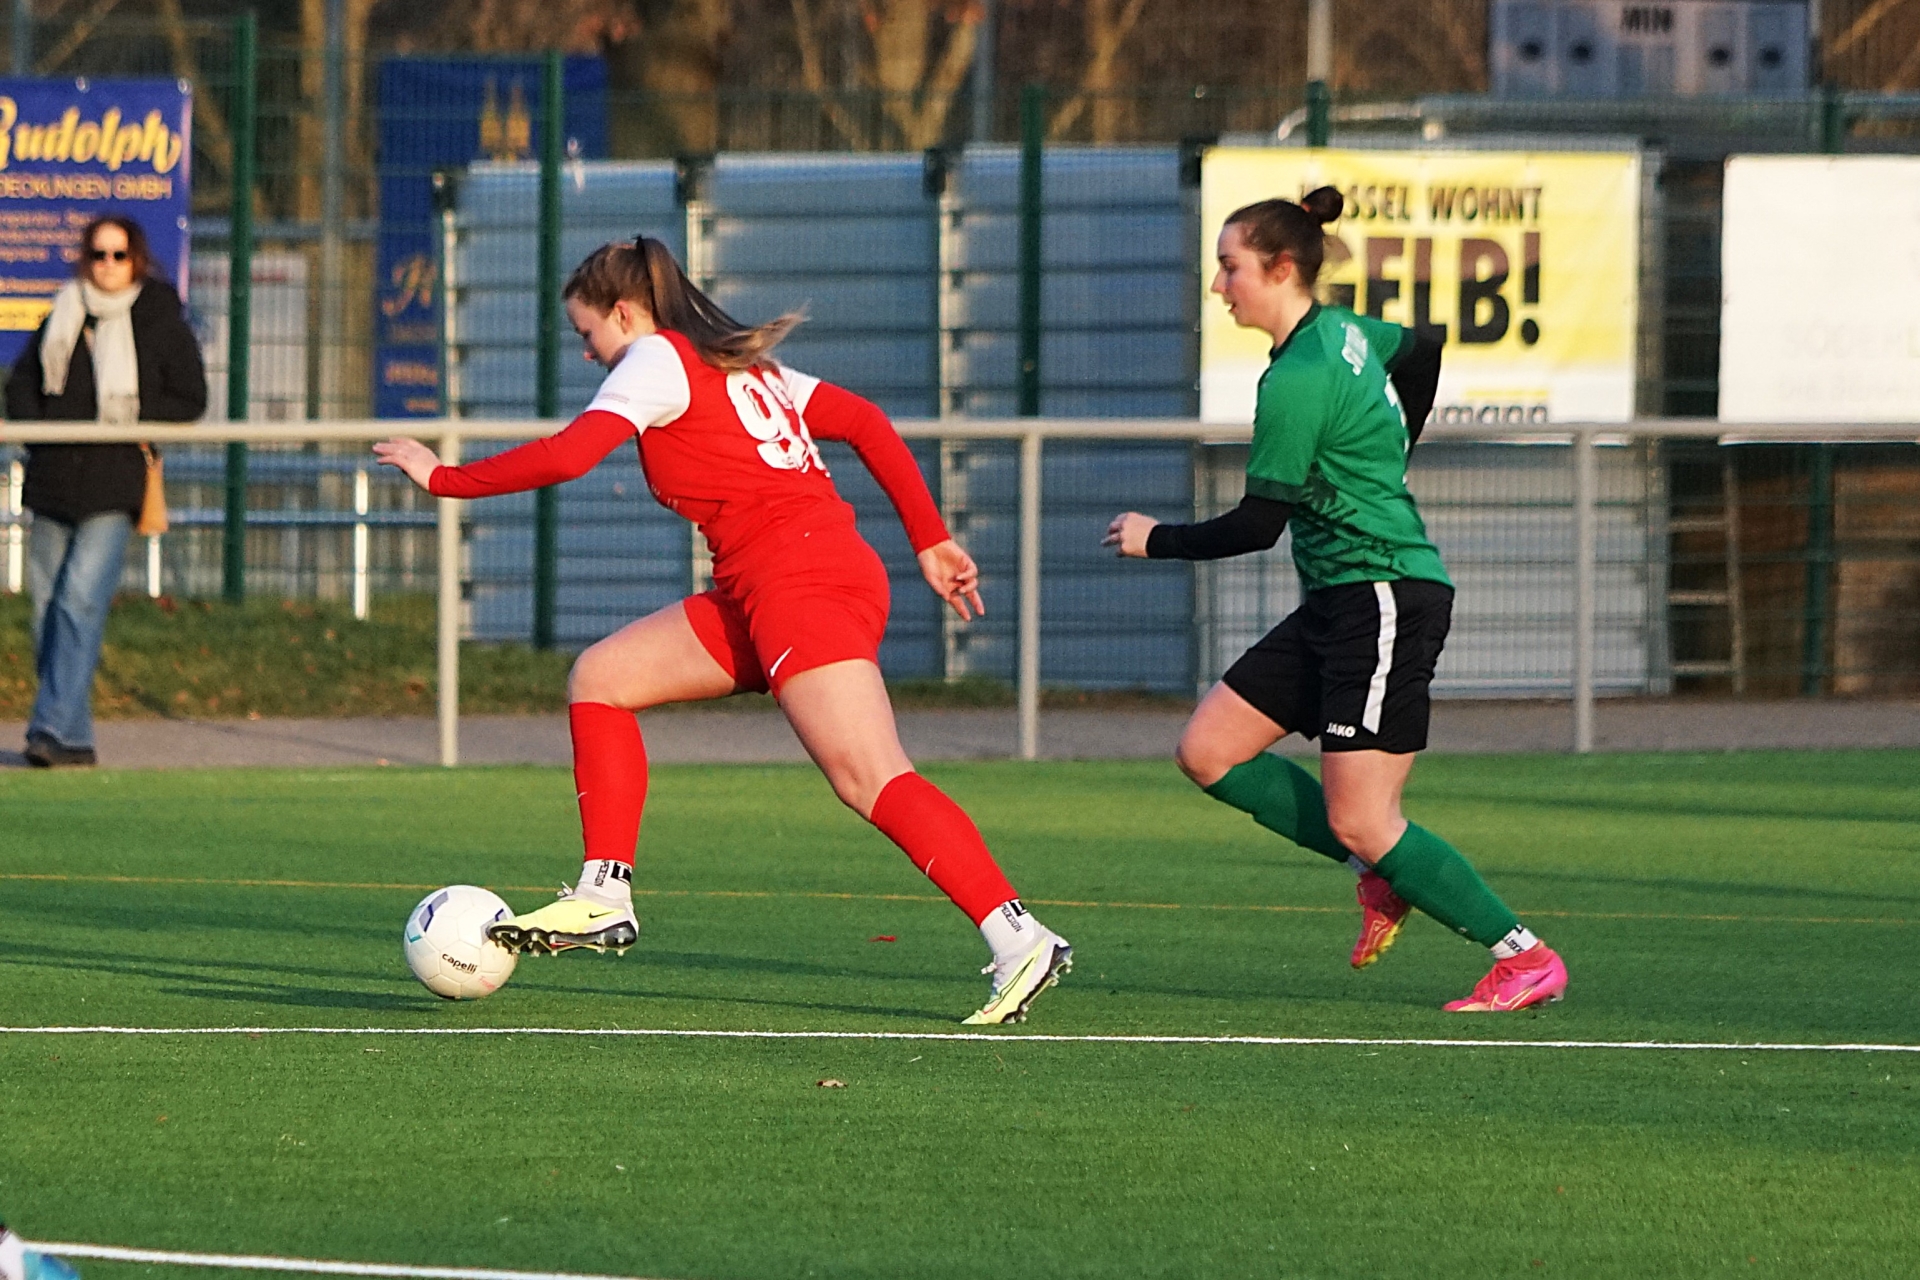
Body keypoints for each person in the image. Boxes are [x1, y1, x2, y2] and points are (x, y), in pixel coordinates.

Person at [375, 236, 1072, 1025]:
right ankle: (604, 892)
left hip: (799, 584)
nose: (588, 352)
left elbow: (571, 456)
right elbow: (866, 422)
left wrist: (445, 478)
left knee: (872, 777)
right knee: (602, 679)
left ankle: (1020, 938)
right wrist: (928, 538)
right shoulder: (741, 366)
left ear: (625, 313)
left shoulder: (656, 356)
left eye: (587, 333)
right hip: (774, 583)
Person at [1105, 188, 1567, 1012]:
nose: (1218, 286)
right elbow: (1421, 349)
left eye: (1230, 267)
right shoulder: (1344, 333)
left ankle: (1524, 957)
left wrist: (1157, 539)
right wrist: (1390, 448)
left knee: (1365, 818)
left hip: (1383, 596)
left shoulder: (1299, 378)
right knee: (1209, 751)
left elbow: (1258, 526)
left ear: (1282, 268)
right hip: (1339, 597)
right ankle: (1382, 874)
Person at [5, 215, 207, 767]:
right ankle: (72, 737)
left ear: (136, 259)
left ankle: (49, 729)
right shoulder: (63, 310)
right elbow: (23, 385)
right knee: (47, 610)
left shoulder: (158, 316)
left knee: (79, 601)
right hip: (52, 481)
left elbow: (190, 397)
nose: (108, 266)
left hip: (114, 483)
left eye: (119, 255)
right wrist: (41, 433)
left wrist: (128, 414)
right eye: (98, 254)